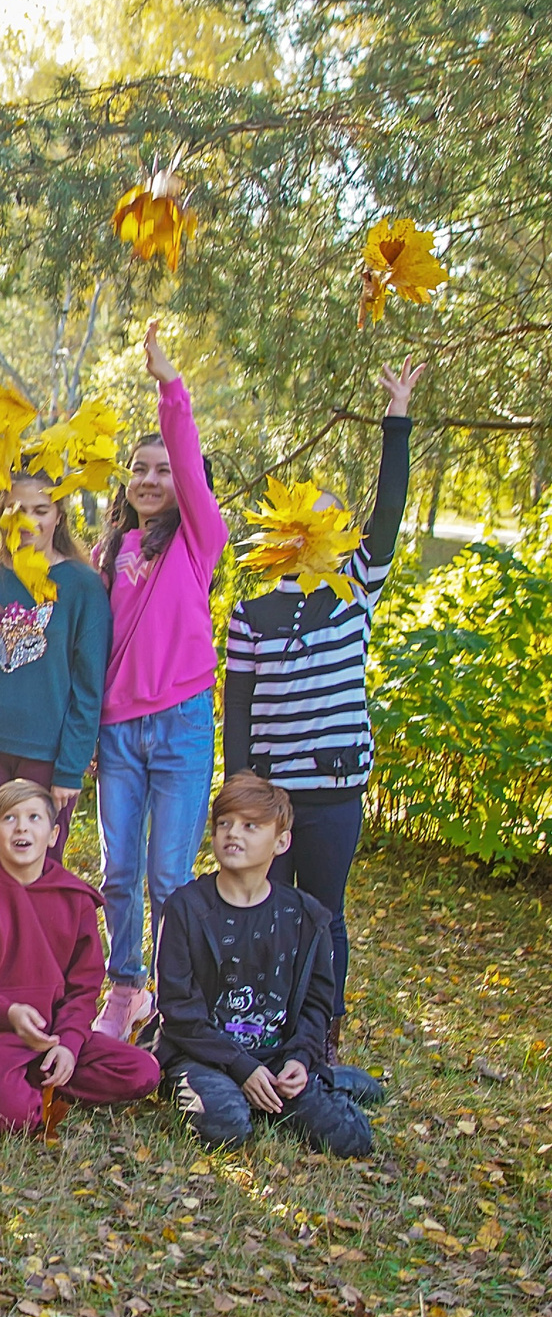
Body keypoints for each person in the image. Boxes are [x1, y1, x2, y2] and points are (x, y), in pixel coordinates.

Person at [224, 361, 420, 1073]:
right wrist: (240, 781)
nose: (324, 530)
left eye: (336, 520)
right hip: (274, 793)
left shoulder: (355, 588)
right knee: (264, 910)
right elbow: (237, 700)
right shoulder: (251, 609)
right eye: (313, 519)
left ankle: (323, 1027)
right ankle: (265, 1024)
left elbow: (390, 510)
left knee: (323, 913)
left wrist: (395, 419)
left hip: (334, 789)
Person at [92, 321, 228, 1039]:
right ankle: (125, 988)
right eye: (138, 470)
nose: (150, 479)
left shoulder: (199, 541)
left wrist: (168, 387)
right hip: (117, 732)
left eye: (162, 469)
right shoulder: (107, 554)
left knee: (168, 875)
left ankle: (176, 998)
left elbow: (185, 453)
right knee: (118, 872)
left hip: (179, 726)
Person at [153, 775, 373, 1157]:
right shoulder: (186, 908)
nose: (232, 833)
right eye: (224, 823)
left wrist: (300, 1060)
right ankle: (251, 1092)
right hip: (204, 1055)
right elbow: (177, 1011)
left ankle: (328, 1081)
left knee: (351, 1139)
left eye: (250, 825)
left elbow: (317, 1005)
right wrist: (241, 1067)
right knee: (226, 1127)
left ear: (281, 841)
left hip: (276, 1055)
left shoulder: (306, 916)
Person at [0, 779, 160, 1134]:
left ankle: (44, 1074)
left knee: (142, 1071)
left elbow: (84, 987)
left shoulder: (74, 897)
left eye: (33, 818)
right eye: (9, 818)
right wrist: (8, 1013)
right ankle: (4, 1084)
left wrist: (70, 1043)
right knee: (17, 1119)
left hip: (56, 1033)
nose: (22, 826)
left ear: (54, 834)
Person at [0, 470, 109, 868]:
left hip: (46, 754)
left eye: (40, 509)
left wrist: (70, 768)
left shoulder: (82, 585)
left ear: (59, 516)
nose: (27, 519)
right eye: (15, 508)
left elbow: (89, 686)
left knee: (38, 870)